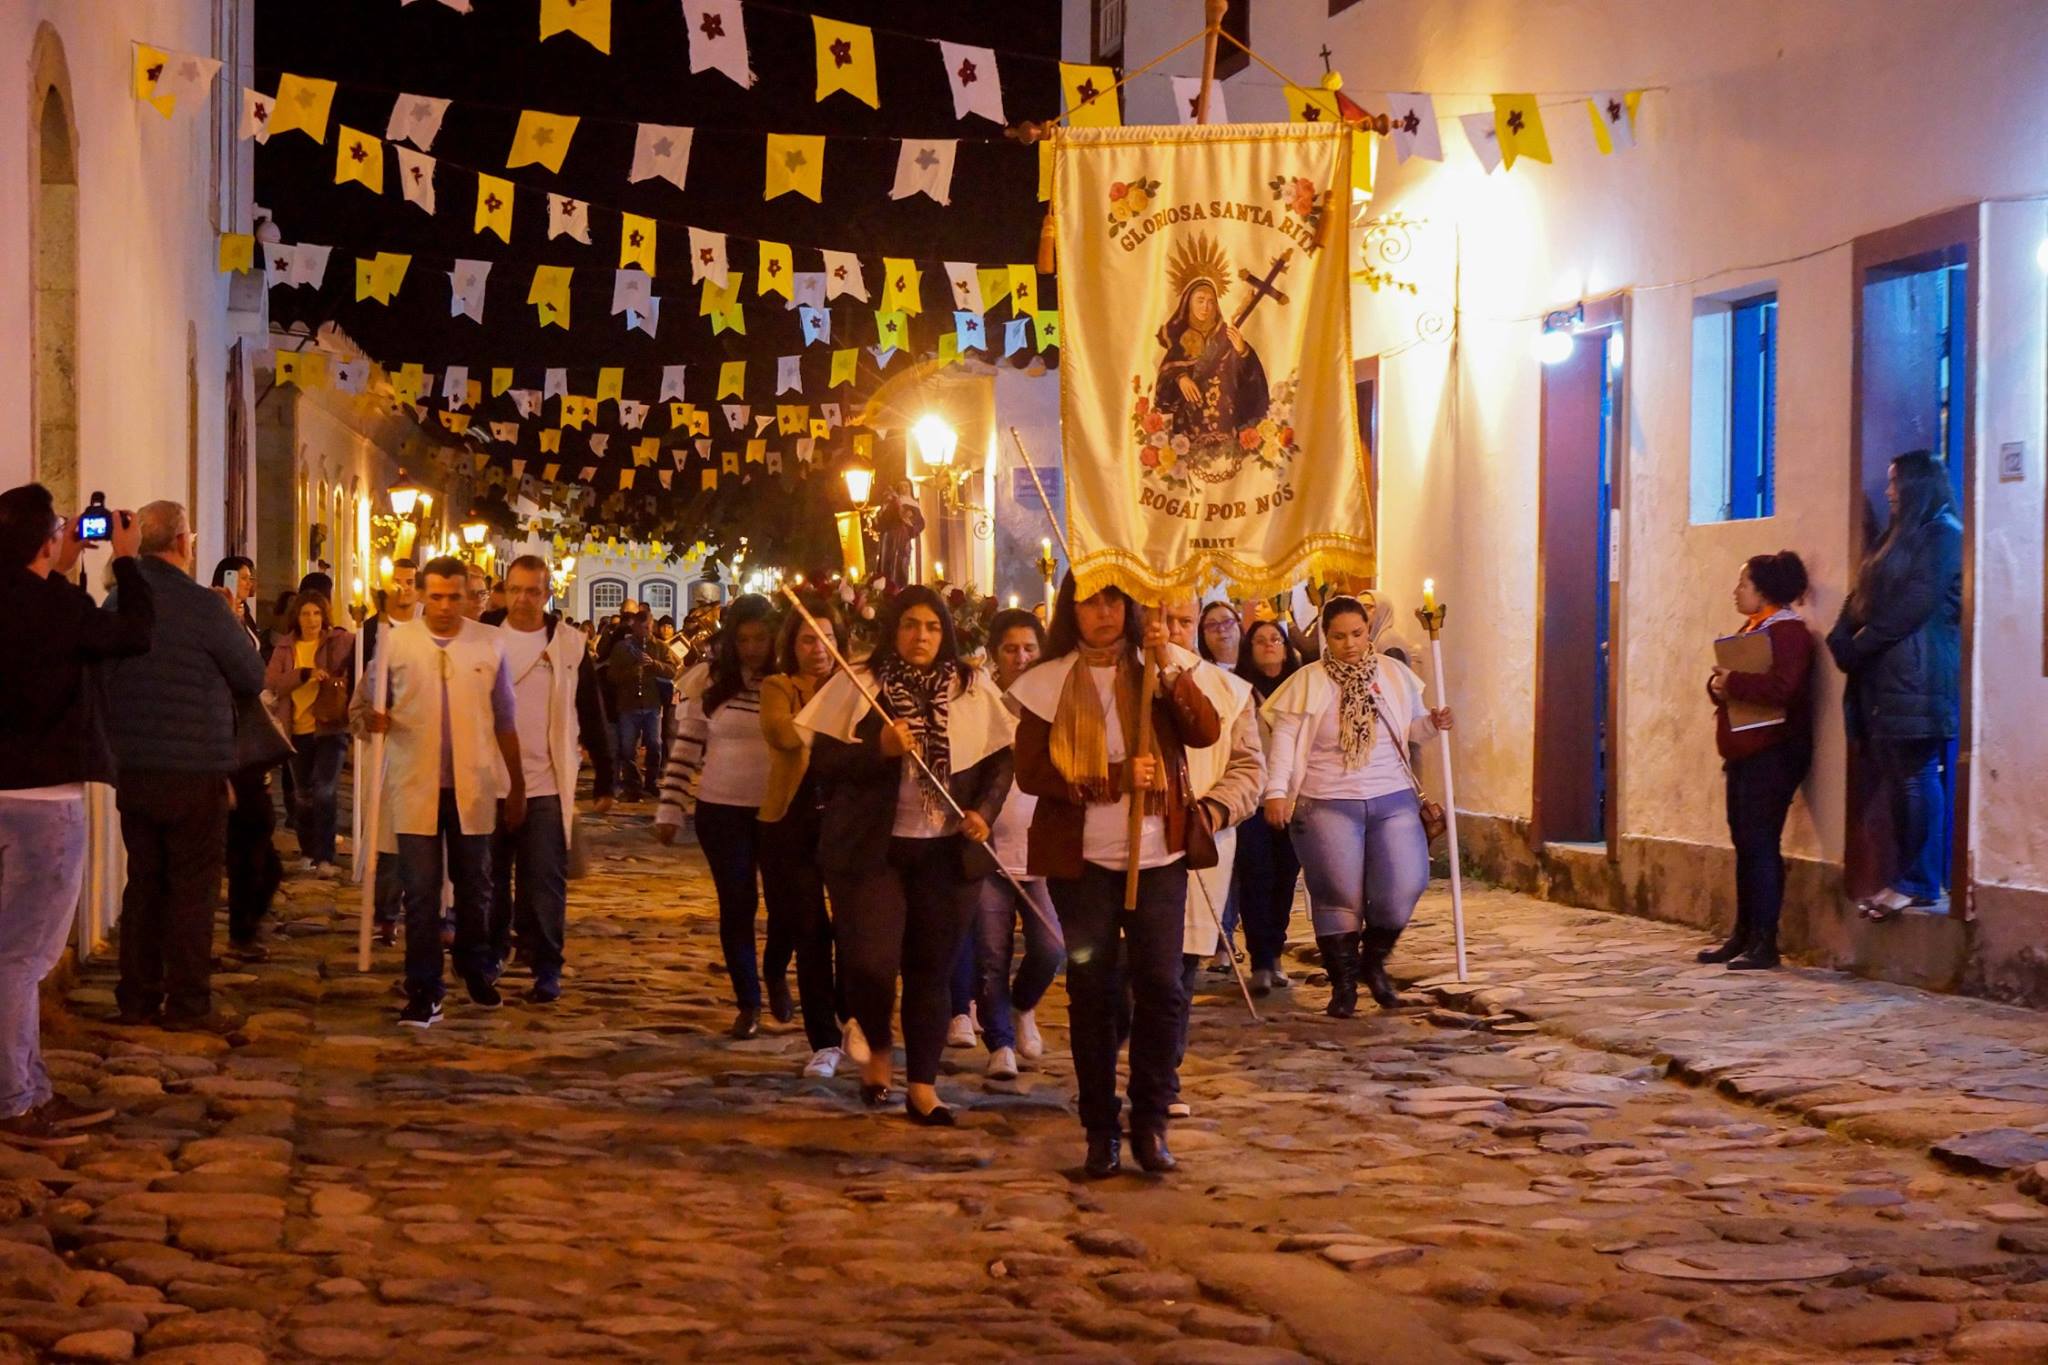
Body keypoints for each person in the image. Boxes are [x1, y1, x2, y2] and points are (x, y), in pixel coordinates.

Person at [1009, 576, 1220, 1178]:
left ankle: (1150, 1122)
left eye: (1112, 601)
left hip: (1158, 858)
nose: (1102, 614)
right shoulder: (1050, 681)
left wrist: (1166, 666)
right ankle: (1099, 1127)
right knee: (1092, 991)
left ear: (1129, 607)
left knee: (1161, 986)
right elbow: (1033, 771)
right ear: (1069, 609)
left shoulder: (1157, 668)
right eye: (1088, 602)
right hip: (1084, 863)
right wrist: (1111, 777)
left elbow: (1203, 731)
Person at [798, 587, 1015, 1126]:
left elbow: (999, 760)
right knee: (870, 965)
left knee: (930, 971)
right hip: (874, 850)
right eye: (911, 625)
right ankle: (875, 1044)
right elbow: (825, 761)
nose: (922, 636)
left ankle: (923, 1085)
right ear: (894, 629)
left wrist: (985, 812)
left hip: (946, 854)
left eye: (933, 627)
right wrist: (879, 750)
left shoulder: (971, 686)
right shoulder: (859, 681)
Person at [0, 484, 150, 1144]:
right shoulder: (58, 606)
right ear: (43, 541)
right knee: (22, 957)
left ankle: (28, 1084)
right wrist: (126, 559)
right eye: (59, 529)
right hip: (44, 801)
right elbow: (133, 633)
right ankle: (16, 1098)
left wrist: (59, 567)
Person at [103, 502, 268, 1032]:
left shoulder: (115, 600)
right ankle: (188, 1003)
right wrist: (232, 621)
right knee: (193, 889)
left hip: (134, 764)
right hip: (195, 767)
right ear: (180, 543)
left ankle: (137, 998)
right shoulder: (203, 607)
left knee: (144, 882)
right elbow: (250, 675)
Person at [1261, 596, 1452, 1018]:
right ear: (1326, 638)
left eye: (1357, 633)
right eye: (1339, 636)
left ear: (1369, 631)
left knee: (1405, 884)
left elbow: (1410, 730)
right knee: (1338, 893)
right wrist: (1276, 792)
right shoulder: (1308, 682)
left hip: (1392, 794)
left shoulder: (1394, 675)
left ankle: (1373, 961)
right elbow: (1286, 744)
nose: (1350, 644)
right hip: (1326, 798)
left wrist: (1433, 725)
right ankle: (1344, 983)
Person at [358, 556, 525, 1028]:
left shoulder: (489, 644)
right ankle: (424, 988)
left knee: (476, 886)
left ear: (467, 597)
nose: (446, 606)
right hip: (416, 782)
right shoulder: (396, 642)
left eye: (455, 596)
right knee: (421, 892)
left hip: (473, 784)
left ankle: (473, 963)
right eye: (436, 596)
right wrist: (372, 718)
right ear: (422, 596)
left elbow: (505, 718)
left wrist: (516, 784)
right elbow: (367, 703)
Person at [1827, 450, 1964, 920]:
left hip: (1918, 679)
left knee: (1917, 777)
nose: (1887, 492)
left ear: (1916, 486)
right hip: (1884, 679)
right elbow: (1862, 592)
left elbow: (1914, 604)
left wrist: (1858, 646)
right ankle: (1905, 878)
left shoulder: (1944, 535)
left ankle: (1921, 881)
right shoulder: (1898, 537)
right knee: (1900, 779)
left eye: (1894, 482)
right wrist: (1841, 635)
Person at [483, 556, 612, 1003]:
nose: (523, 599)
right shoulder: (484, 636)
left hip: (546, 782)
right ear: (505, 589)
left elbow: (590, 711)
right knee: (490, 881)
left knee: (545, 882)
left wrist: (606, 775)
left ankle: (546, 965)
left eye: (533, 591)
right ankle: (491, 955)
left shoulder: (569, 646)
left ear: (547, 592)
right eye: (515, 589)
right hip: (487, 780)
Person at [654, 595, 777, 1039]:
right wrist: (671, 805)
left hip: (777, 812)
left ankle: (776, 972)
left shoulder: (788, 682)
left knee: (786, 908)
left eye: (760, 638)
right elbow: (687, 747)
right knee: (738, 904)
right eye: (743, 639)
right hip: (721, 809)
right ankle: (749, 1000)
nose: (751, 648)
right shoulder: (711, 681)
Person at [1159, 595, 1264, 1115]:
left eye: (1182, 620)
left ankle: (1164, 1077)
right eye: (1162, 620)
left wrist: (1214, 811)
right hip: (1138, 844)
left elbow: (1249, 768)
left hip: (1203, 840)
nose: (1172, 630)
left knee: (1180, 964)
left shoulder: (1230, 692)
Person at [1703, 552, 1815, 970]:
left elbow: (1783, 687)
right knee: (1745, 843)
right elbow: (1731, 678)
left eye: (1743, 584)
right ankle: (1743, 934)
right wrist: (1719, 685)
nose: (1737, 592)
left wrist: (1733, 682)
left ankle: (1764, 941)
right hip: (1744, 751)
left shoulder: (1787, 633)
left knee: (1760, 843)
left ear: (1763, 590)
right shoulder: (1756, 628)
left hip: (1772, 752)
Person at [757, 602, 848, 1076]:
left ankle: (851, 1013)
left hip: (845, 825)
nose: (820, 649)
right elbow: (783, 734)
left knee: (851, 930)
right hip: (790, 822)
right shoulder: (779, 687)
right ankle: (824, 1040)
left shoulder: (857, 686)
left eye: (827, 638)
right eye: (809, 639)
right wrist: (831, 710)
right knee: (809, 931)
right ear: (793, 645)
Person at [974, 609, 1064, 1081]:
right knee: (991, 953)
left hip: (1042, 853)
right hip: (989, 850)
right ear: (995, 655)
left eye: (1030, 648)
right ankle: (1000, 1043)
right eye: (1011, 649)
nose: (1021, 657)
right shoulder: (981, 702)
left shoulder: (1055, 703)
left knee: (1051, 947)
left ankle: (1022, 1006)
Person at [209, 555, 283, 960]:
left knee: (258, 846)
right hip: (232, 742)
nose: (249, 585)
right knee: (249, 842)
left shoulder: (245, 619)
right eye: (244, 578)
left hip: (247, 738)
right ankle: (242, 929)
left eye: (252, 579)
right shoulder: (219, 618)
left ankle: (247, 923)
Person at [1232, 618, 1304, 989]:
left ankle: (1275, 951)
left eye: (1276, 638)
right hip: (1253, 799)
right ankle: (1260, 959)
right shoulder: (1240, 690)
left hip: (1293, 798)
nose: (1269, 645)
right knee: (1256, 877)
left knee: (1285, 879)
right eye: (1260, 640)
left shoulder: (1301, 686)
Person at [265, 589, 354, 878]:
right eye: (305, 613)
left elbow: (360, 650)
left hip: (329, 728)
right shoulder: (285, 648)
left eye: (316, 612)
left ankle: (326, 856)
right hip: (296, 730)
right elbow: (274, 683)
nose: (311, 619)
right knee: (303, 795)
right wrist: (304, 674)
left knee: (325, 790)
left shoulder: (336, 641)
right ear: (297, 617)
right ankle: (308, 851)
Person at [360, 559, 418, 945]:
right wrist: (371, 714)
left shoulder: (428, 632)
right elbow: (367, 688)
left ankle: (433, 914)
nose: (403, 590)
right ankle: (386, 914)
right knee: (393, 841)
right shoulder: (374, 630)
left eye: (410, 583)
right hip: (391, 756)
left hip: (427, 756)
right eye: (396, 583)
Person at [607, 606, 679, 802]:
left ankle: (651, 782)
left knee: (655, 745)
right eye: (643, 628)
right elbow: (612, 676)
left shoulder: (660, 647)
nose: (646, 631)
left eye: (649, 627)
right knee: (628, 748)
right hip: (628, 704)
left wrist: (654, 664)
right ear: (635, 627)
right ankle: (633, 784)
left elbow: (673, 670)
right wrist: (632, 671)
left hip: (652, 704)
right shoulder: (622, 648)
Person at [873, 482, 926, 588]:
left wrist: (909, 520)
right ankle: (887, 587)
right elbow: (884, 521)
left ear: (910, 488)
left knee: (902, 564)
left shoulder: (914, 504)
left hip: (903, 538)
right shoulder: (892, 503)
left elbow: (920, 523)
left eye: (906, 486)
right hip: (890, 538)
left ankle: (900, 586)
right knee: (887, 564)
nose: (904, 488)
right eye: (901, 486)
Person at [1197, 600, 1242, 668]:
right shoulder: (1198, 670)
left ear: (1238, 625)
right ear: (1203, 634)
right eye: (1212, 625)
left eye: (1227, 622)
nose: (1221, 629)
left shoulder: (1258, 665)